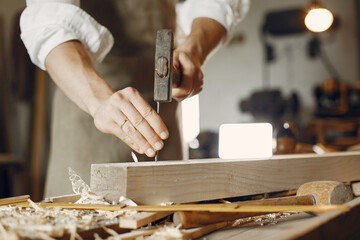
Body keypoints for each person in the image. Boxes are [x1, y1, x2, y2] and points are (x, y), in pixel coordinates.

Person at [20, 0, 249, 197]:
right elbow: (49, 22)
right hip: (88, 110)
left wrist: (194, 49)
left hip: (164, 115)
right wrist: (99, 101)